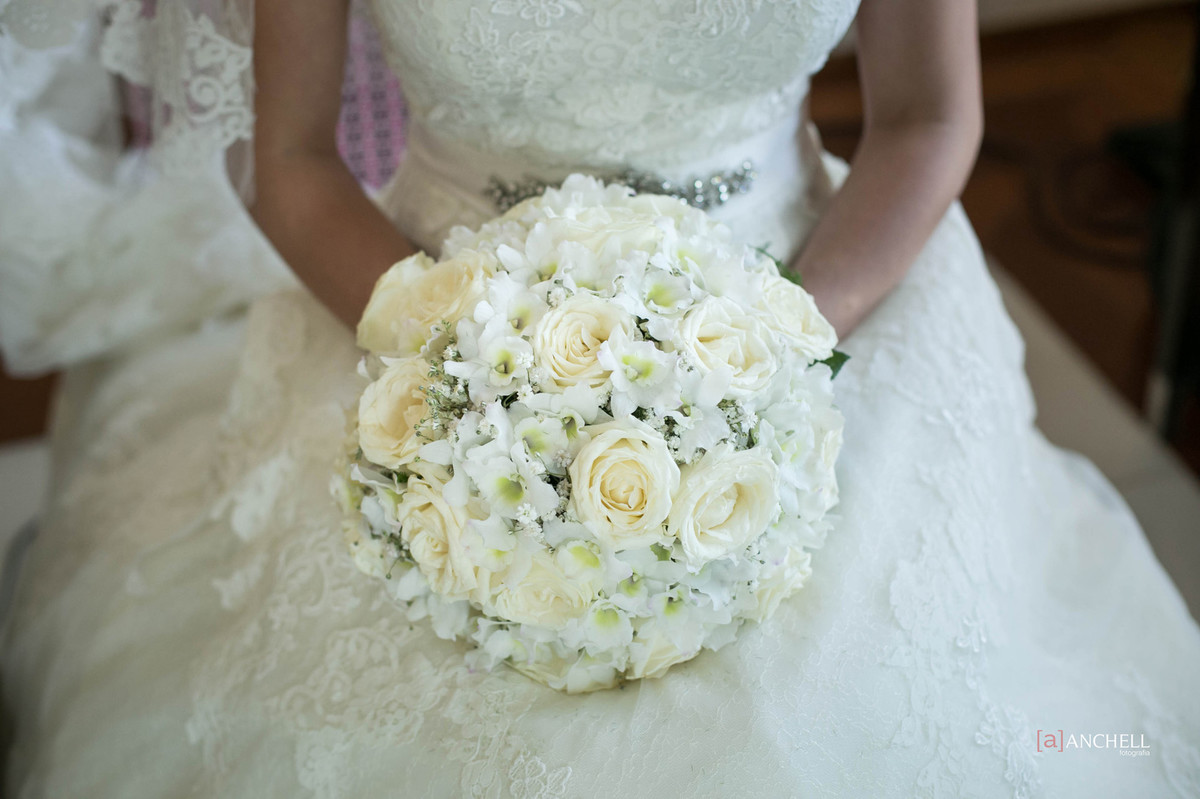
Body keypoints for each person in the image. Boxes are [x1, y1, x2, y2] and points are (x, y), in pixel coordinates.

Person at [1, 0, 1198, 796]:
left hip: (811, 295)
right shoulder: (459, 355)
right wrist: (480, 372)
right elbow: (293, 164)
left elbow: (934, 118)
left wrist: (762, 359)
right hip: (436, 318)